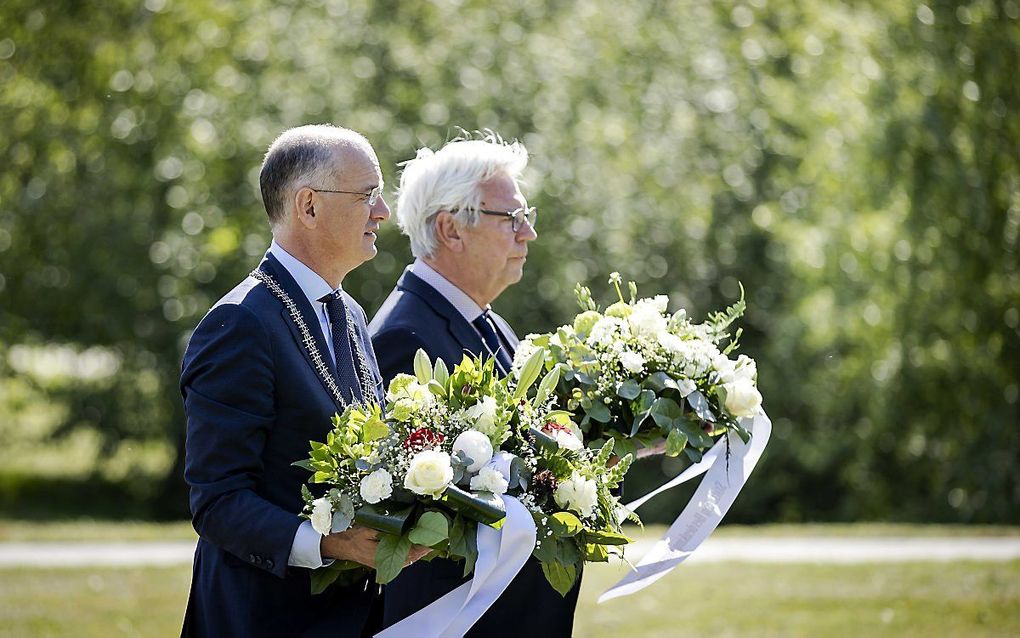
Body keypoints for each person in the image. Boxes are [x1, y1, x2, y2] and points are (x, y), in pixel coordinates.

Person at [181, 124, 418, 637]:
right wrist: (331, 543)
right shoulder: (241, 323)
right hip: (263, 618)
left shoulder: (350, 312)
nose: (381, 212)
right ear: (308, 206)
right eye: (367, 196)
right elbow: (218, 500)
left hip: (349, 616)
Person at [369, 134, 579, 636]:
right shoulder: (405, 337)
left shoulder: (486, 321)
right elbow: (423, 515)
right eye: (510, 218)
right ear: (450, 229)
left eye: (525, 215)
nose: (526, 233)